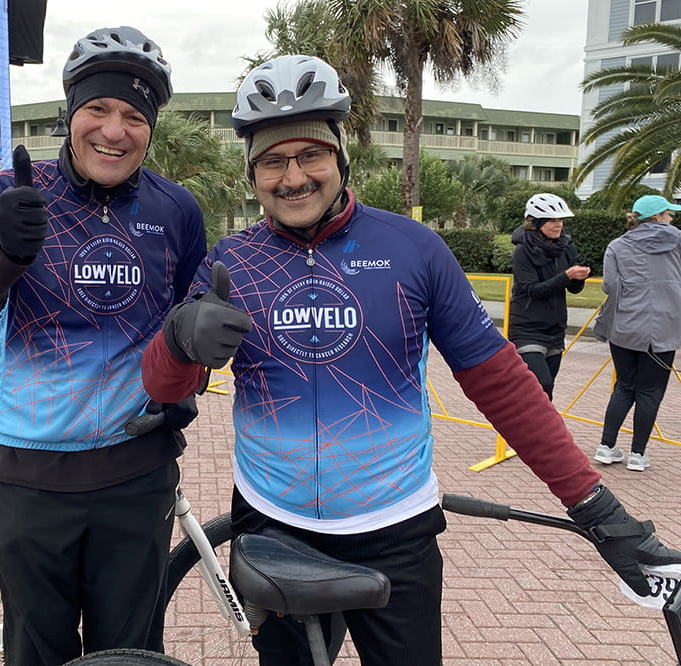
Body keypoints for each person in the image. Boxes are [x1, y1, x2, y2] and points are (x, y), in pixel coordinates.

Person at [141, 54, 681, 666]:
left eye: (310, 155)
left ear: (340, 159)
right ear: (254, 172)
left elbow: (500, 382)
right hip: (274, 526)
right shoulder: (230, 262)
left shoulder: (413, 248)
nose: (292, 176)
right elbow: (164, 386)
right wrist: (180, 339)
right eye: (272, 160)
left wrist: (593, 504)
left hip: (396, 530)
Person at [0, 26, 207, 665]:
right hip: (30, 474)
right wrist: (1, 249)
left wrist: (185, 385)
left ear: (151, 128)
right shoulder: (12, 193)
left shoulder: (176, 210)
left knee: (129, 652)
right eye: (99, 110)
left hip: (136, 471)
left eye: (134, 116)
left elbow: (188, 322)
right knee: (36, 651)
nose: (115, 130)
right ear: (70, 114)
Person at [593, 194, 681, 472]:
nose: (671, 218)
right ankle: (638, 453)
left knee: (624, 386)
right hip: (664, 327)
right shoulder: (677, 240)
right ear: (657, 216)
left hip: (625, 326)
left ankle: (606, 446)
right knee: (651, 391)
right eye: (669, 214)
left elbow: (609, 285)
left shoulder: (617, 245)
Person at [508, 194, 591, 399]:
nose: (558, 225)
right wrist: (566, 276)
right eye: (552, 220)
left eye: (560, 220)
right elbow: (533, 290)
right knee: (540, 384)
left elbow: (573, 289)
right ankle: (523, 428)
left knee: (547, 390)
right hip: (527, 328)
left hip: (555, 329)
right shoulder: (522, 251)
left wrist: (579, 277)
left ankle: (538, 430)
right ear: (536, 222)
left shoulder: (566, 246)